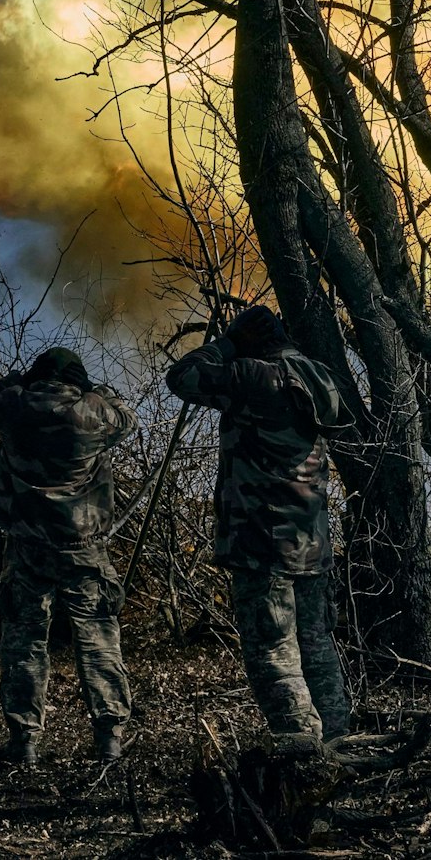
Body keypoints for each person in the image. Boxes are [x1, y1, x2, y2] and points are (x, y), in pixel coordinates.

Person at [166, 305, 353, 748]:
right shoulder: (319, 376)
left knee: (272, 649)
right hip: (311, 538)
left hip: (261, 538)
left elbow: (182, 377)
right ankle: (339, 740)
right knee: (316, 645)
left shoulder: (253, 375)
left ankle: (301, 750)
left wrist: (226, 344)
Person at [0, 346, 137, 766]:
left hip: (27, 547)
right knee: (98, 641)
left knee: (25, 643)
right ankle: (110, 738)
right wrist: (97, 390)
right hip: (84, 548)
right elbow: (128, 418)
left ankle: (24, 741)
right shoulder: (95, 411)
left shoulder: (12, 405)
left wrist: (15, 382)